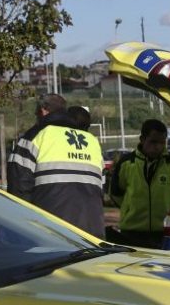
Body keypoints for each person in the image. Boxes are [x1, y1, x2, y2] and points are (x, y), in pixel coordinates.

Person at [7, 95, 105, 237]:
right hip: (93, 232)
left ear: (43, 111)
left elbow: (18, 189)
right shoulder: (92, 142)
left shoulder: (35, 136)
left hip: (52, 233)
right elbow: (101, 188)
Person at [110, 119, 170, 248]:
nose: (157, 146)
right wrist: (131, 210)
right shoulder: (127, 163)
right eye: (153, 142)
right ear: (142, 139)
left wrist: (168, 212)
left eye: (161, 142)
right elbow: (116, 193)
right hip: (132, 232)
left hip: (165, 232)